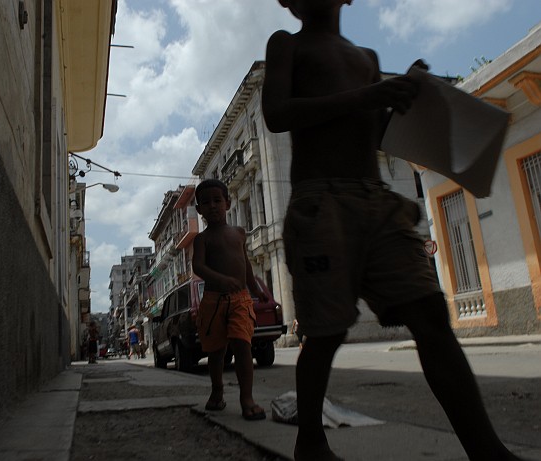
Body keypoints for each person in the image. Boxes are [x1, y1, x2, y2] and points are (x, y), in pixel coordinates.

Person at [262, 1, 524, 460]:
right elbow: (277, 114)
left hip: (377, 199)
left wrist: (411, 94)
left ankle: (487, 450)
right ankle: (311, 443)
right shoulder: (286, 44)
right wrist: (369, 97)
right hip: (320, 201)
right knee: (326, 333)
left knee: (429, 315)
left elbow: (377, 131)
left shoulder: (368, 58)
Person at [192, 179, 269, 421]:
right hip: (213, 301)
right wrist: (222, 279)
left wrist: (255, 289)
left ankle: (247, 399)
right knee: (216, 351)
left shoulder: (238, 233)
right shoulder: (202, 239)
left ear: (228, 202)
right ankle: (217, 392)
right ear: (199, 210)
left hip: (240, 300)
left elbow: (245, 263)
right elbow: (198, 266)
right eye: (206, 203)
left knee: (242, 345)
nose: (212, 206)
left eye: (217, 200)